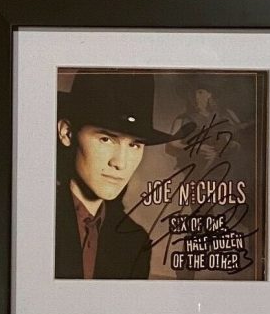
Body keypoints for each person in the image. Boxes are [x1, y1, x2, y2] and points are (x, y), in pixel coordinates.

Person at [55, 71, 181, 279]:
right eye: (106, 139)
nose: (120, 163)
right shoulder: (34, 221)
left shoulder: (135, 243)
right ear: (66, 133)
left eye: (134, 145)